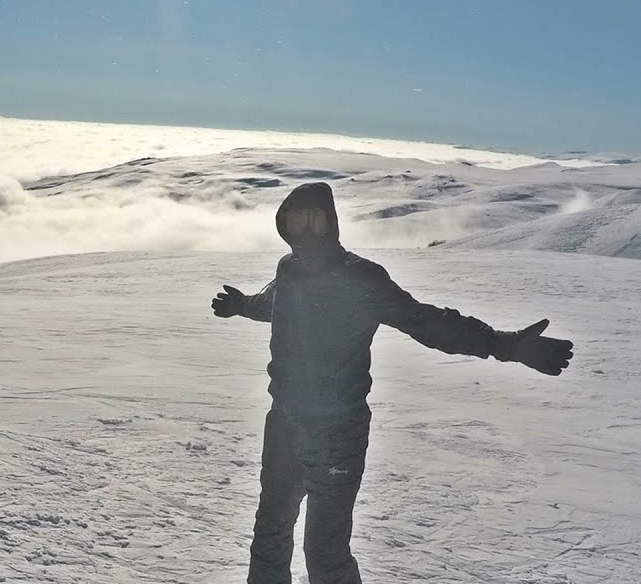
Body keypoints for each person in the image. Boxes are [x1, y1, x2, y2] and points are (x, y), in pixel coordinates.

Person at [211, 182, 573, 584]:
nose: (304, 232)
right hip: (283, 424)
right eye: (295, 222)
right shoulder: (289, 270)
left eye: (314, 221)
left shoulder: (361, 279)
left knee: (325, 552)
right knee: (270, 533)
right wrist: (242, 305)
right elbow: (276, 303)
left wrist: (500, 344)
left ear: (331, 224)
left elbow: (426, 321)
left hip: (337, 432)